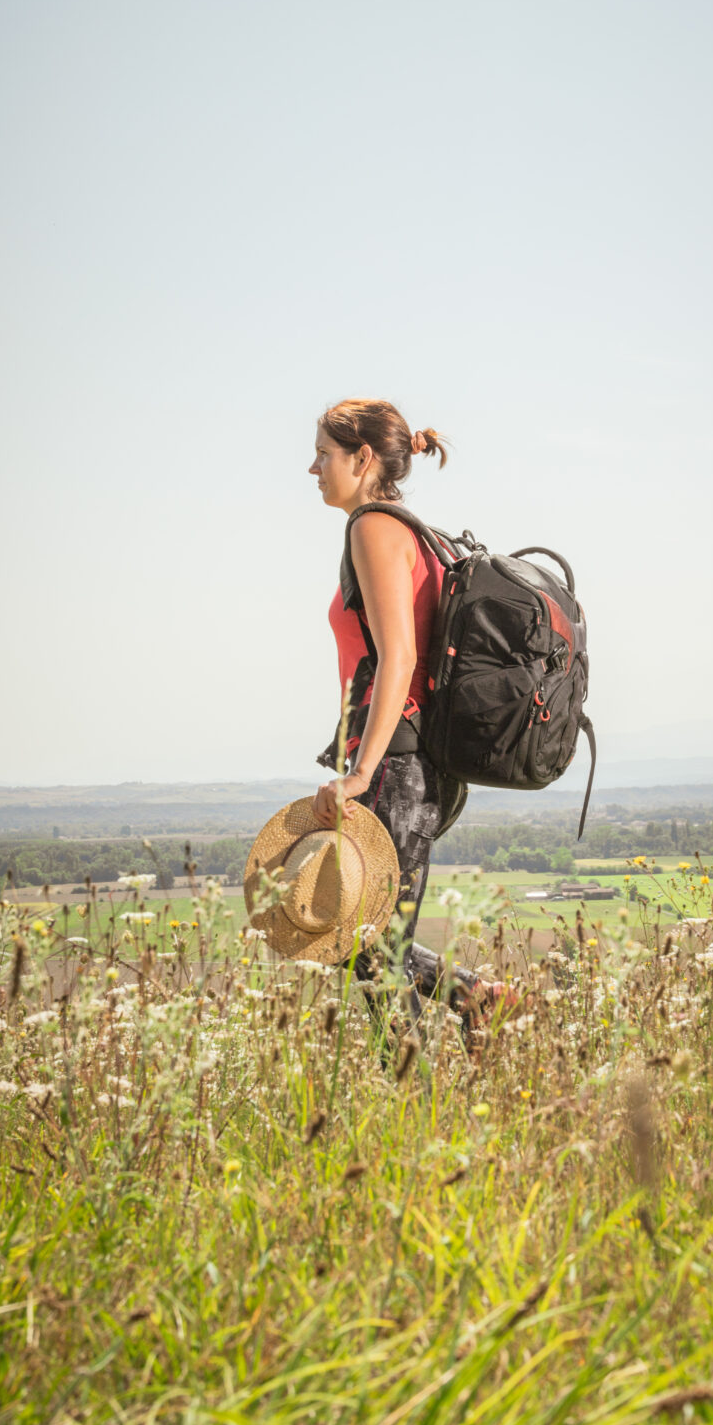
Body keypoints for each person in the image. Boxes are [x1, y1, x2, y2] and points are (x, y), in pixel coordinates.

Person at [308, 397, 473, 1018]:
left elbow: (398, 659)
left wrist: (359, 773)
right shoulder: (404, 528)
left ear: (364, 457)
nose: (314, 468)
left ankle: (413, 1103)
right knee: (375, 945)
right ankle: (483, 1001)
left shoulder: (373, 529)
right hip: (412, 761)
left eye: (325, 453)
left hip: (396, 764)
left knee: (371, 949)